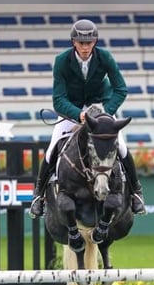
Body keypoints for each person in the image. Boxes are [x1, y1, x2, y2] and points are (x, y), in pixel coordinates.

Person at [29, 18, 146, 217]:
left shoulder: (105, 57)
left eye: (89, 43)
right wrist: (78, 114)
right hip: (72, 109)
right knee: (53, 147)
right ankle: (38, 196)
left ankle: (136, 193)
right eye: (81, 43)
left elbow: (121, 89)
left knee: (123, 147)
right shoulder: (62, 61)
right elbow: (58, 99)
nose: (85, 47)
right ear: (74, 42)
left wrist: (105, 113)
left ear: (95, 42)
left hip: (100, 106)